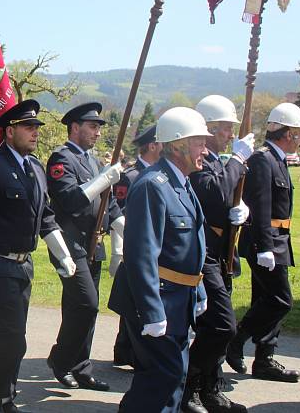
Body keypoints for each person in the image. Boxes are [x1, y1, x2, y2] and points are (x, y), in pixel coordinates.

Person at [0, 100, 76, 413]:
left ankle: (2, 395)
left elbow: (46, 217)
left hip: (23, 265)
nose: (35, 132)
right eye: (28, 127)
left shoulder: (36, 167)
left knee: (14, 337)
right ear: (10, 131)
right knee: (11, 333)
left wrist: (62, 254)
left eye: (37, 127)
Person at [108, 106, 209, 413]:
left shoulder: (181, 182)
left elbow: (191, 245)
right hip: (159, 300)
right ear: (178, 145)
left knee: (173, 377)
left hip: (180, 298)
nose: (205, 149)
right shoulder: (154, 184)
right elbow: (141, 254)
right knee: (162, 375)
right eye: (198, 142)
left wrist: (199, 290)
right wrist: (152, 311)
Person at [181, 95, 253, 413]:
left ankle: (209, 388)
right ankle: (190, 387)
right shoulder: (198, 161)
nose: (230, 135)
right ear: (208, 129)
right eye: (225, 129)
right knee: (222, 325)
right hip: (203, 254)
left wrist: (240, 212)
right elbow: (214, 196)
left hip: (221, 253)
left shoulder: (214, 161)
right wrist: (237, 161)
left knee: (217, 325)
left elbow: (225, 202)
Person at [45, 102, 124, 391]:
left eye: (99, 127)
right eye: (93, 126)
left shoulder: (93, 161)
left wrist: (124, 231)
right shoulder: (60, 159)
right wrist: (105, 178)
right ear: (75, 127)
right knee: (87, 305)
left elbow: (109, 206)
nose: (97, 133)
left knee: (80, 309)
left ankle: (80, 368)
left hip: (94, 242)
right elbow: (71, 200)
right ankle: (60, 359)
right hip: (69, 244)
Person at [227, 102, 300, 384]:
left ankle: (264, 358)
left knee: (264, 299)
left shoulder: (278, 159)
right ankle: (236, 339)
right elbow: (260, 205)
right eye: (299, 134)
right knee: (280, 299)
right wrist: (264, 246)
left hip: (278, 239)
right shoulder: (263, 159)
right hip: (267, 241)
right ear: (287, 133)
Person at [110, 124, 161, 368]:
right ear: (152, 146)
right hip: (134, 246)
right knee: (133, 299)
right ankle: (126, 350)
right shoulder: (131, 177)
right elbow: (119, 214)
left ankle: (125, 348)